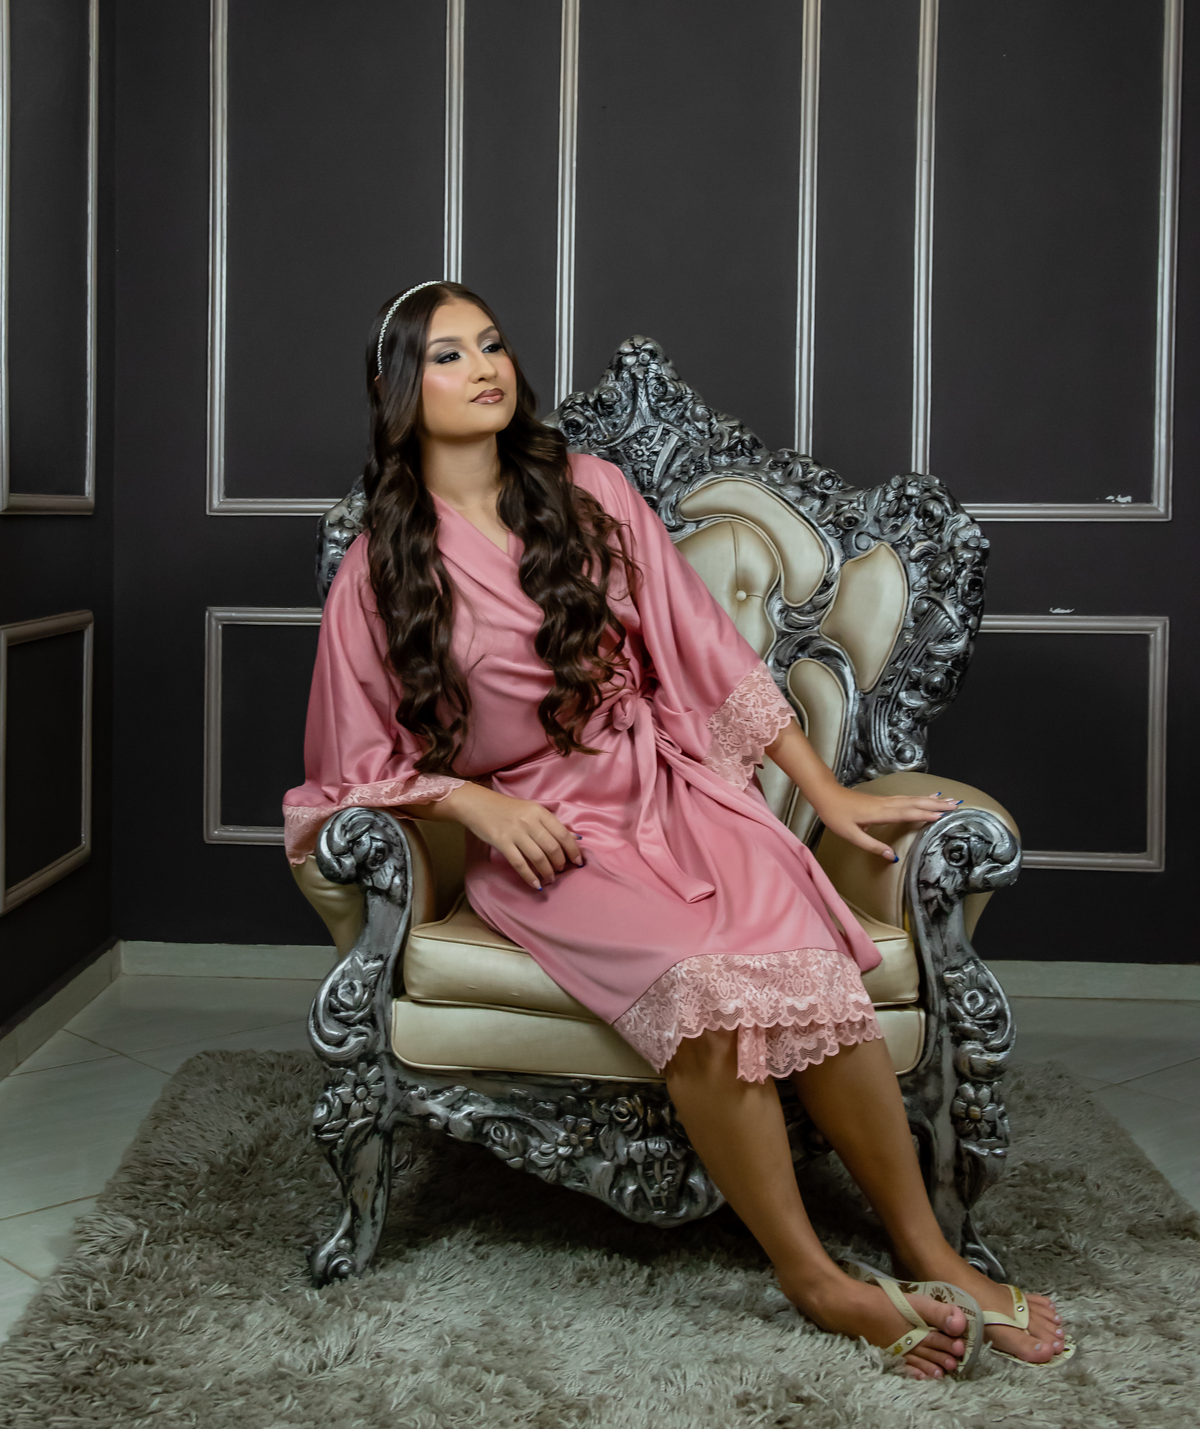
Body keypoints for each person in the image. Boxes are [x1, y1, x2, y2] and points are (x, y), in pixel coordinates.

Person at [284, 281, 1069, 1379]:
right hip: (549, 837)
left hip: (679, 793)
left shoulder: (591, 490)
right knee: (701, 990)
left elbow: (708, 652)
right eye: (449, 354)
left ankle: (927, 1246)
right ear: (397, 390)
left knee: (812, 962)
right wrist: (470, 802)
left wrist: (827, 794)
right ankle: (815, 1275)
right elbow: (349, 769)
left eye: (493, 344)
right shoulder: (381, 567)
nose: (485, 367)